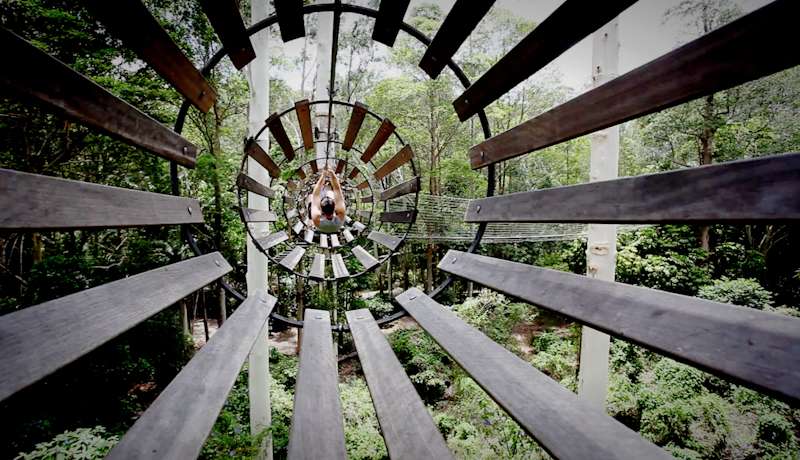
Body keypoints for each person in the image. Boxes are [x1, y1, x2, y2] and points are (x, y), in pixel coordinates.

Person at [310, 166, 346, 233]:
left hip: (321, 228)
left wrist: (323, 176)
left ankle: (325, 191)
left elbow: (315, 194)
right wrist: (332, 173)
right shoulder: (341, 213)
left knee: (315, 197)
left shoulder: (316, 217)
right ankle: (327, 191)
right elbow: (337, 189)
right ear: (334, 207)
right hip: (336, 227)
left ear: (321, 209)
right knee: (330, 193)